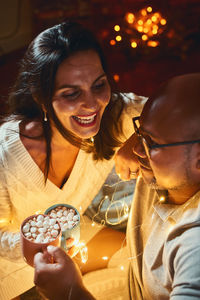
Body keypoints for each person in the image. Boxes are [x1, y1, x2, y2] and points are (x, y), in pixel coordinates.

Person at [0, 20, 146, 299]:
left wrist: (140, 136)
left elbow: (174, 105)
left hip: (73, 244)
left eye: (98, 85)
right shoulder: (6, 154)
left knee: (139, 258)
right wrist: (33, 242)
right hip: (10, 279)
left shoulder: (115, 114)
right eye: (71, 93)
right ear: (41, 97)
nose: (92, 104)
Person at [33, 73, 200, 300]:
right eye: (139, 132)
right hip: (135, 268)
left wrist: (69, 293)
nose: (138, 150)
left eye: (151, 142)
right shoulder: (174, 171)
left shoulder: (194, 249)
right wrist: (142, 135)